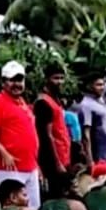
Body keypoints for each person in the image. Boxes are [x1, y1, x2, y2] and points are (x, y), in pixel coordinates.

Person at [0, 62, 43, 210]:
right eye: (12, 80)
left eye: (20, 80)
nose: (17, 84)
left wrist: (37, 165)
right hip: (9, 168)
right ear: (3, 82)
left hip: (30, 167)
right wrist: (4, 153)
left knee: (33, 209)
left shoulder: (23, 103)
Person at [32, 64, 75, 199]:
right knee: (57, 196)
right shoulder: (43, 103)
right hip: (53, 160)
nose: (60, 82)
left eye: (62, 78)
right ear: (47, 79)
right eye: (56, 78)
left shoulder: (55, 100)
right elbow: (47, 135)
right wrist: (57, 163)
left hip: (63, 155)